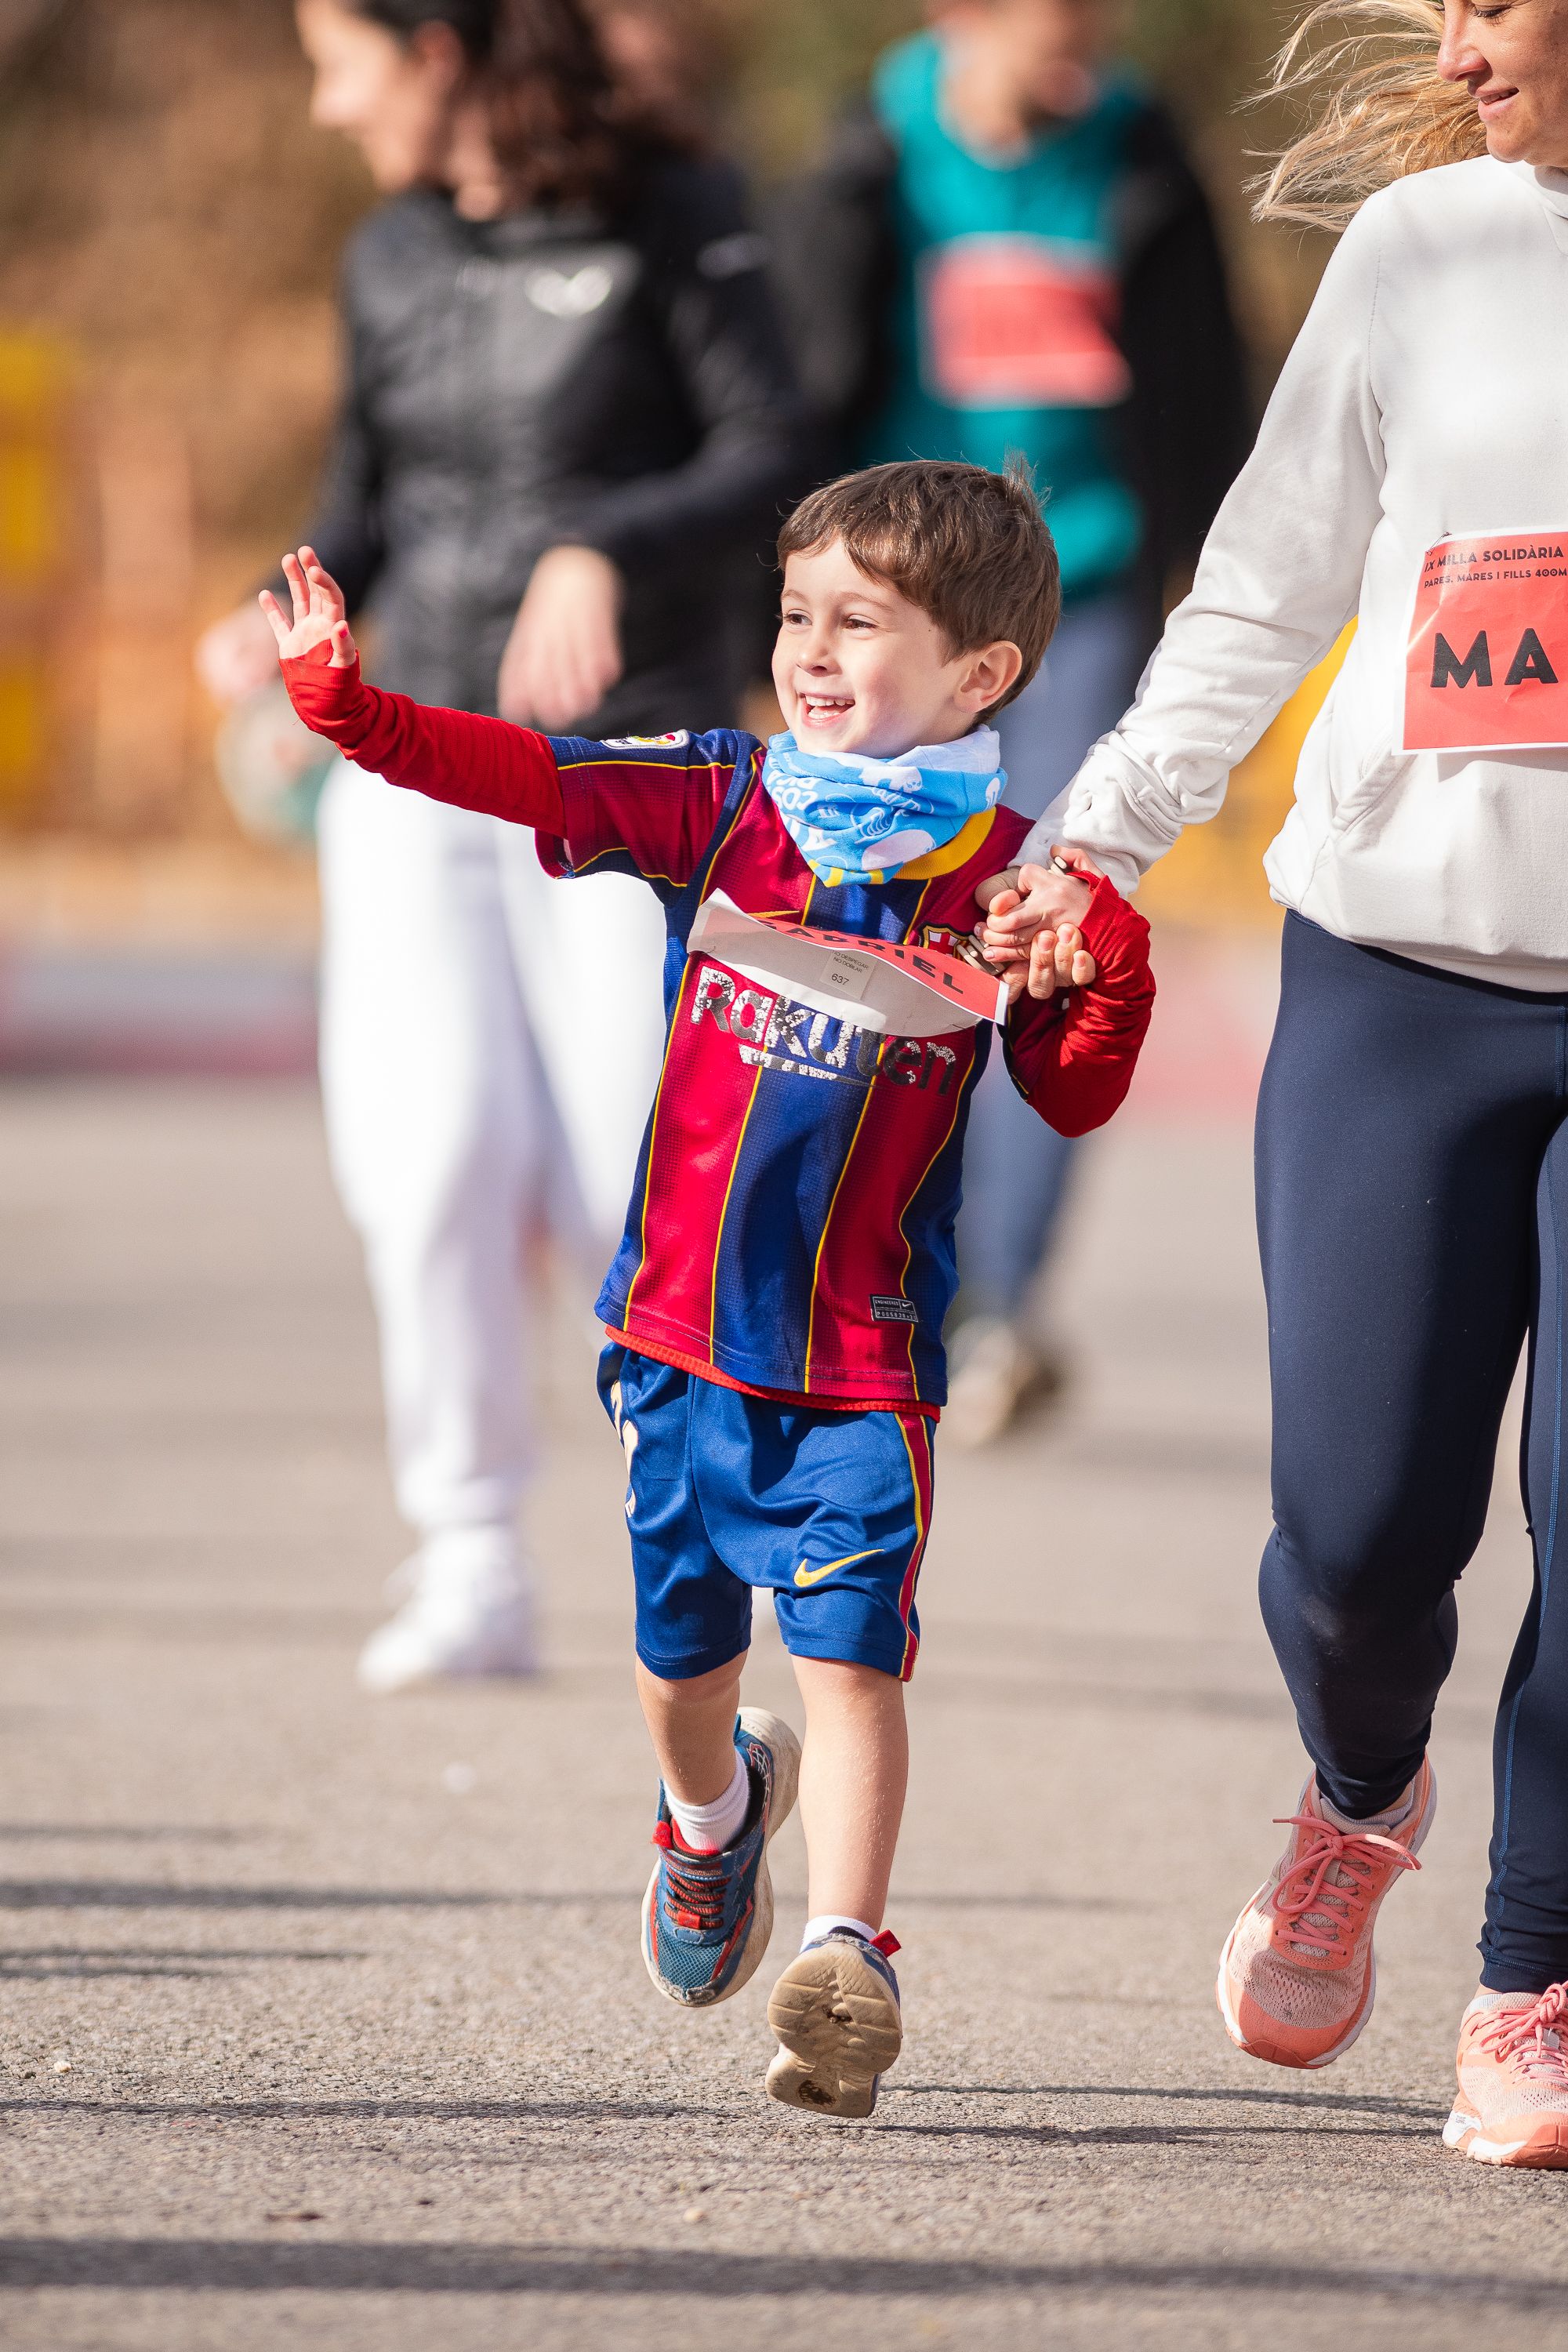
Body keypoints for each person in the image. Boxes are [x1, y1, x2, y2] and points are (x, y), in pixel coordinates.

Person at [263, 457, 1156, 2114]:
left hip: (866, 1367)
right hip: (676, 1343)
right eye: (797, 612)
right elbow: (526, 772)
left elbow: (1079, 1088)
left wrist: (1105, 964)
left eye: (860, 624)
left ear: (982, 673)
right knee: (685, 1672)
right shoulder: (729, 799)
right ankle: (710, 1819)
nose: (810, 649)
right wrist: (351, 715)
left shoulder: (1020, 884)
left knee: (855, 1658)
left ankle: (848, 1956)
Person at [982, 0, 1568, 2168]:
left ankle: (1532, 1982)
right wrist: (1103, 831)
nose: (1454, 40)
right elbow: (1268, 578)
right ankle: (1356, 1791)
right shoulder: (1425, 248)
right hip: (1404, 969)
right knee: (1355, 1536)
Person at [197, 0, 802, 1692]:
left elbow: (776, 452)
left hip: (628, 777)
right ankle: (470, 1553)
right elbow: (367, 498)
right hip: (414, 764)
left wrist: (601, 545)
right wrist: (280, 618)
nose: (327, 105)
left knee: (635, 1165)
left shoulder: (679, 213)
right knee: (429, 1163)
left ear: (441, 52)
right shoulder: (388, 251)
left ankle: (719, 1539)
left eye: (343, 62)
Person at [768, 0, 1247, 1442]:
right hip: (891, 616)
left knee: (1045, 917)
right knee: (875, 934)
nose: (1087, 35)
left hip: (1081, 599)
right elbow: (804, 387)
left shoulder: (1142, 152)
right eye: (1059, 11)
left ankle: (994, 1307)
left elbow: (1209, 389)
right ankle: (858, 1266)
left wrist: (1208, 599)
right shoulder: (871, 152)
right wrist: (787, 628)